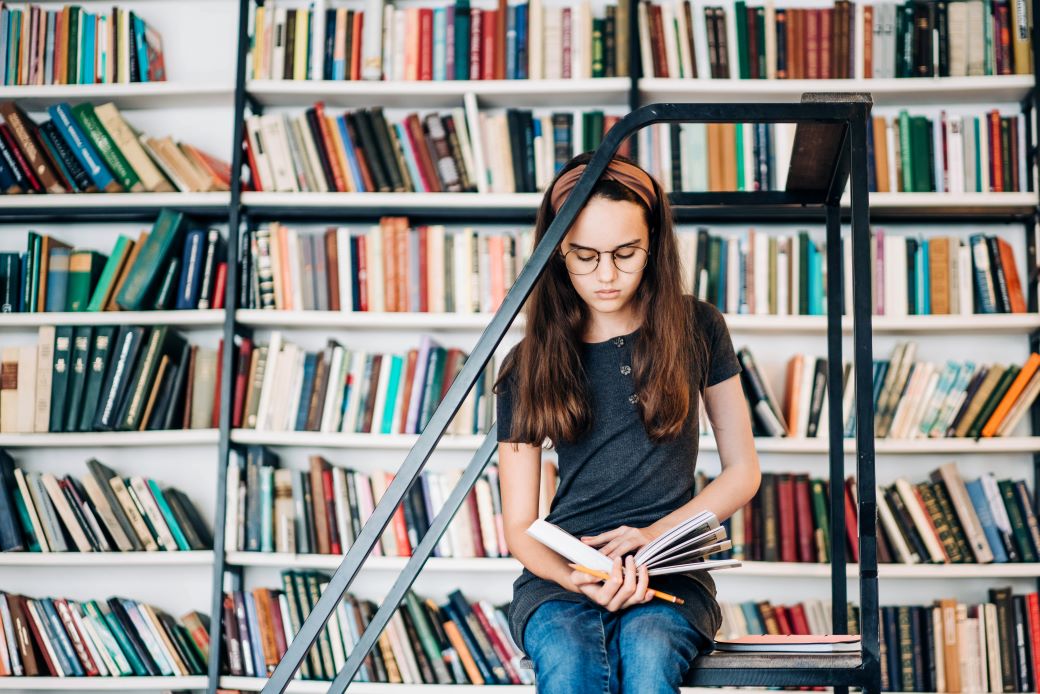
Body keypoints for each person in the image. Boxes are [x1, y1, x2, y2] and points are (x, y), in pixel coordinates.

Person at [493, 151, 762, 693]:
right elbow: (520, 526)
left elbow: (742, 472)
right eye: (584, 256)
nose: (607, 275)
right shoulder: (528, 362)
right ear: (557, 252)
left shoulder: (698, 327)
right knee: (567, 662)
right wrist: (576, 575)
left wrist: (650, 537)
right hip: (563, 574)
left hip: (669, 570)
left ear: (654, 246)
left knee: (648, 652)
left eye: (625, 253)